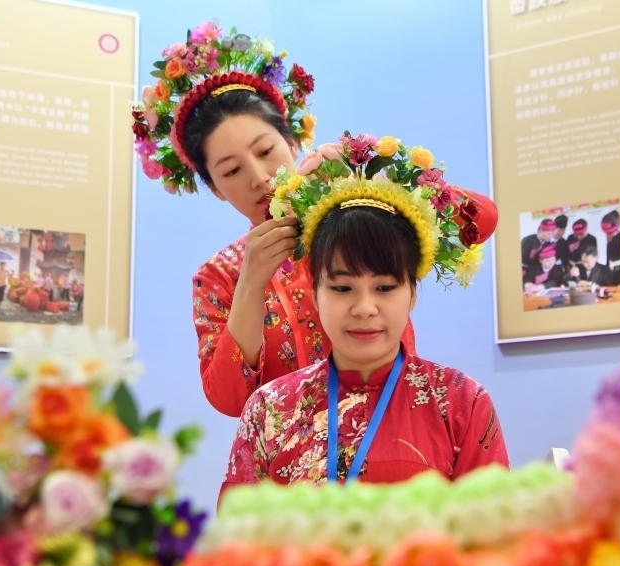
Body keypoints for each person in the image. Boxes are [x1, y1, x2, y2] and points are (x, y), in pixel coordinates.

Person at [131, 22, 419, 418]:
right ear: (215, 189)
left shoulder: (362, 218)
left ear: (293, 143)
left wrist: (373, 179)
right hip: (284, 451)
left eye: (266, 151)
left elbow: (481, 220)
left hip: (394, 430)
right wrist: (250, 282)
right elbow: (229, 399)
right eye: (231, 171)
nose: (259, 178)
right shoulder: (219, 276)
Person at [220, 133, 507, 495]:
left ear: (412, 294)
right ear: (315, 294)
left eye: (385, 288)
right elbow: (237, 525)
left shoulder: (461, 403)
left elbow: (496, 524)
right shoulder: (269, 409)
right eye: (342, 288)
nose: (365, 308)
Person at [602, 209, 620, 285]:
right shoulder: (610, 241)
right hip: (613, 274)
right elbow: (608, 259)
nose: (608, 236)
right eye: (606, 233)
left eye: (610, 232)